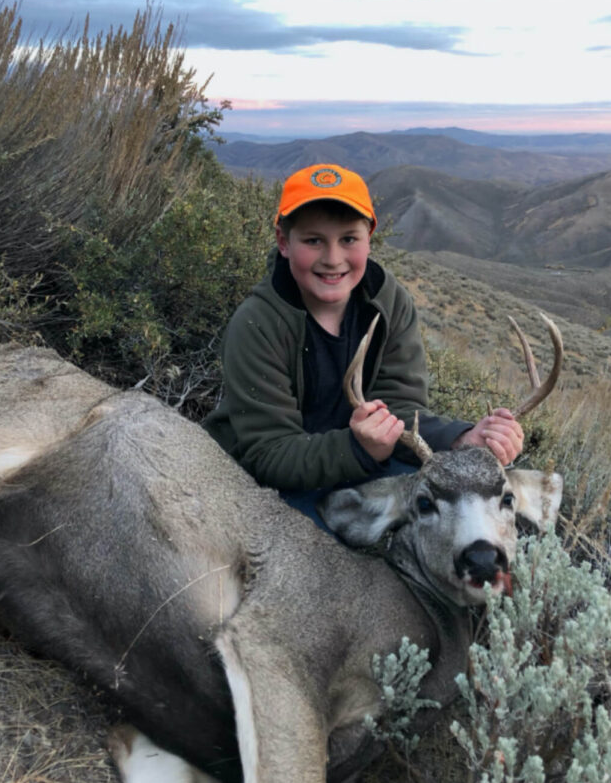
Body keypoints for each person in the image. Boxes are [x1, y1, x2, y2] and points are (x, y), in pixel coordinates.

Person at [203, 163, 523, 529]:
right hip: (267, 485)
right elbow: (268, 454)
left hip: (358, 464)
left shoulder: (389, 303)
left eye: (348, 239)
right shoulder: (257, 324)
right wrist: (358, 449)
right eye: (313, 240)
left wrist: (460, 438)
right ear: (283, 242)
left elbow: (399, 408)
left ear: (370, 237)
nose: (333, 258)